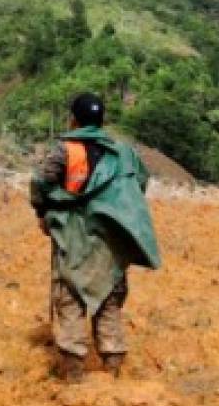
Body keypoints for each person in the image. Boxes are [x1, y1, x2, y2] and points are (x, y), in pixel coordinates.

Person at [30, 92, 161, 381]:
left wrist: (44, 212)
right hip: (110, 240)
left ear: (74, 120)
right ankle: (112, 369)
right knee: (109, 299)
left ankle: (74, 375)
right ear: (101, 121)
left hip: (75, 236)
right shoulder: (123, 151)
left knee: (71, 296)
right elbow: (140, 181)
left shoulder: (66, 150)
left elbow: (41, 181)